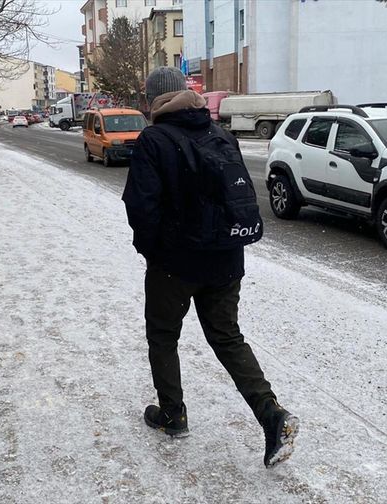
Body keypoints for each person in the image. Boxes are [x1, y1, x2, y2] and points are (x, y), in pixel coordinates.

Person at [122, 67, 299, 468]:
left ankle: (172, 414)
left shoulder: (154, 139)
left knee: (163, 336)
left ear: (154, 100)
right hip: (225, 258)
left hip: (174, 264)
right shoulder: (221, 134)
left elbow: (141, 206)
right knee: (227, 337)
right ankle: (272, 416)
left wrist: (153, 252)